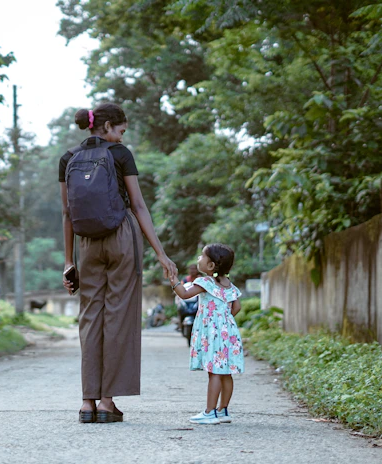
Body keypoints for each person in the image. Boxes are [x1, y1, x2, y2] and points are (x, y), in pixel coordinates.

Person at [59, 103, 177, 424]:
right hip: (121, 235)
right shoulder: (120, 154)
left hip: (87, 243)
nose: (122, 138)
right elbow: (138, 205)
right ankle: (108, 403)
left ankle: (87, 403)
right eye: (122, 131)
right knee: (118, 315)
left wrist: (69, 261)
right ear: (108, 126)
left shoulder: (68, 158)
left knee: (90, 317)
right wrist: (161, 254)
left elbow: (68, 213)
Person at [169, 243, 243, 425]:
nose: (198, 259)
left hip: (212, 334)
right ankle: (223, 410)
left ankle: (210, 412)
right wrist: (224, 321)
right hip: (229, 333)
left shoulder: (205, 283)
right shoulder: (230, 286)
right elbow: (237, 307)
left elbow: (185, 294)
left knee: (214, 372)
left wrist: (174, 281)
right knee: (226, 372)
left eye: (202, 256)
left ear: (210, 266)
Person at [176, 264, 201, 331]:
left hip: (197, 300)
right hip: (187, 300)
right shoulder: (185, 280)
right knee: (179, 307)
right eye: (191, 269)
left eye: (194, 269)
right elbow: (180, 288)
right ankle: (180, 324)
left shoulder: (200, 279)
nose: (192, 271)